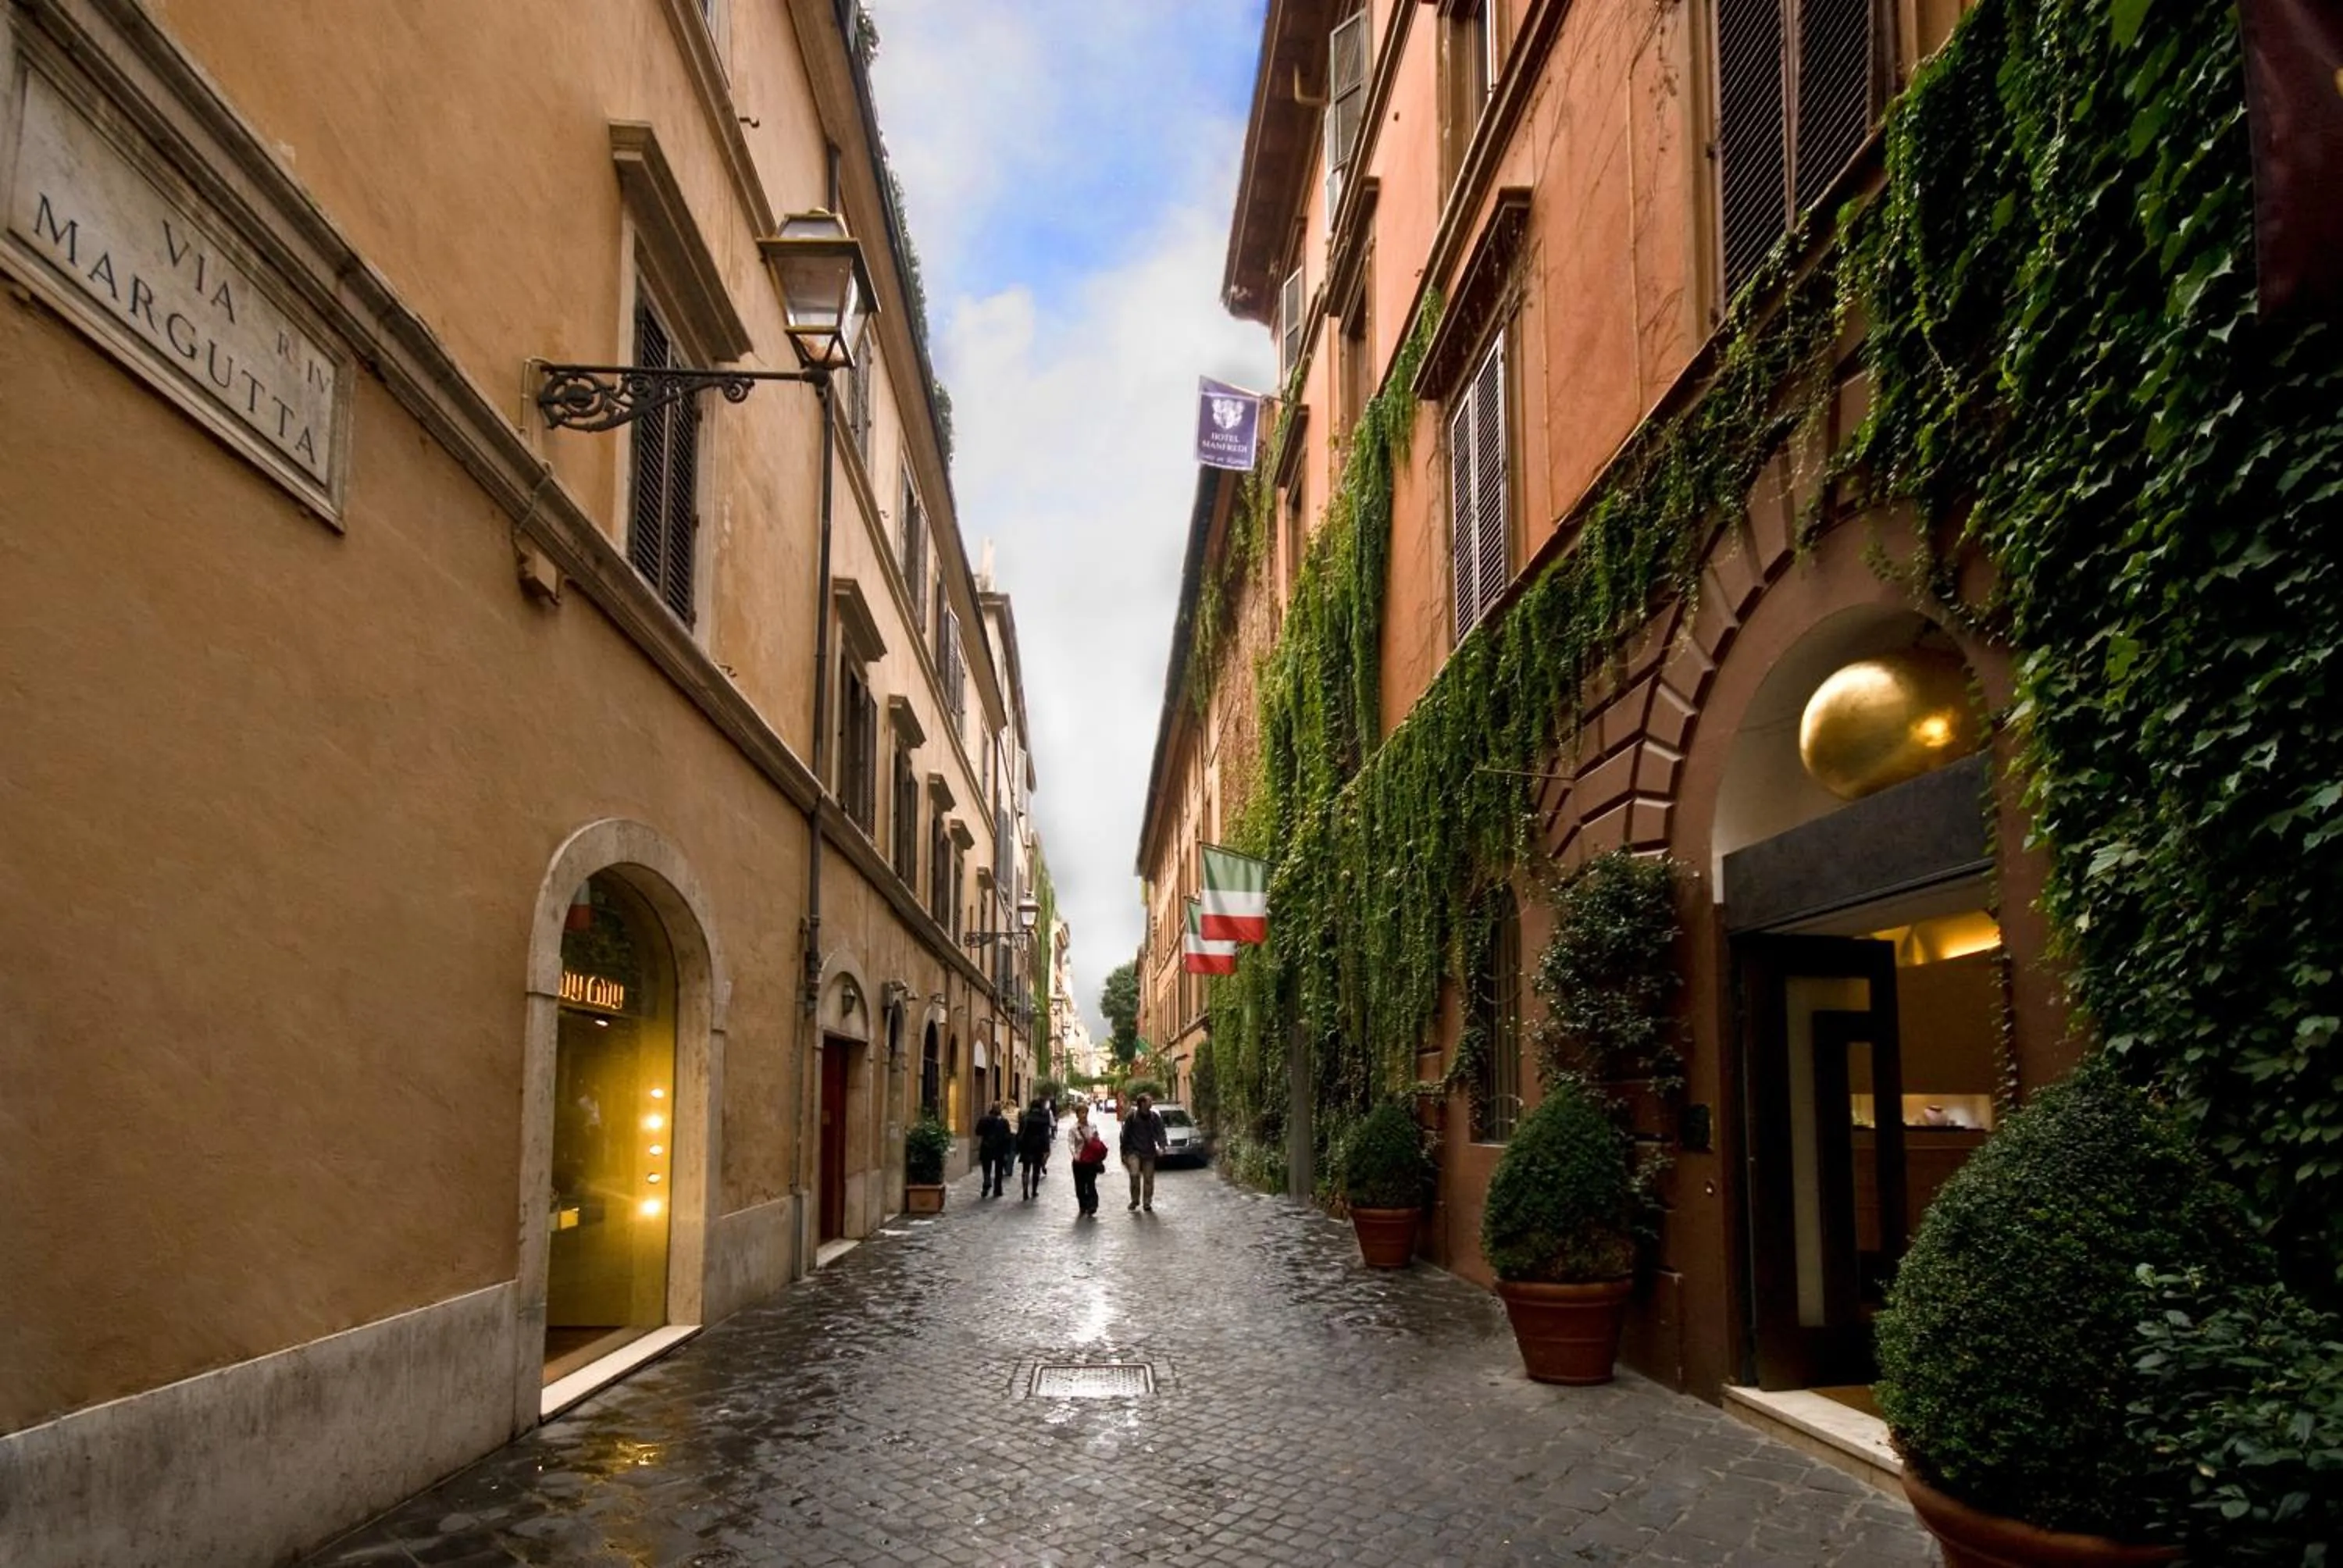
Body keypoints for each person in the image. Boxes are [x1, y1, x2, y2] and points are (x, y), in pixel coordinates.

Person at [1119, 1092, 1168, 1213]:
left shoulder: (1154, 1117)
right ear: (1142, 1103)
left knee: (1148, 1178)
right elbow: (1126, 1135)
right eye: (1149, 1101)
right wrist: (1124, 1152)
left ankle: (1147, 1202)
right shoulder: (1132, 1117)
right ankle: (1135, 1200)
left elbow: (1161, 1132)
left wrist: (1162, 1146)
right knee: (1134, 1175)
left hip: (1149, 1151)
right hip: (1134, 1151)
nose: (1151, 1103)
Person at [1068, 1103, 1108, 1217]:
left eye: (1086, 1112)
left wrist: (1095, 1139)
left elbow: (1097, 1141)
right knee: (1080, 1185)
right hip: (1079, 1160)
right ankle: (1083, 1205)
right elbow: (1071, 1143)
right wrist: (1075, 1154)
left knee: (1091, 1183)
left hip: (1091, 1160)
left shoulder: (1092, 1126)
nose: (1084, 1115)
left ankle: (1093, 1205)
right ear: (1077, 1115)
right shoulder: (1073, 1129)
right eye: (1082, 1113)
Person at [975, 1101, 1015, 1199]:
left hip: (987, 1146)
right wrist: (1007, 1151)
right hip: (999, 1148)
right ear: (1000, 1110)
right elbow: (1007, 1137)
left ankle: (986, 1183)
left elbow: (978, 1132)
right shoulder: (1004, 1121)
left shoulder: (984, 1119)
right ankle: (998, 1190)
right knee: (998, 1170)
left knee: (986, 1167)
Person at [1015, 1096, 1052, 1200]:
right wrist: (1047, 1148)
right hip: (1039, 1146)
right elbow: (1046, 1135)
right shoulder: (1044, 1118)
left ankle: (1025, 1191)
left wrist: (1018, 1146)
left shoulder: (1025, 1116)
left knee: (1025, 1169)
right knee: (1036, 1169)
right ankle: (1034, 1191)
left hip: (1026, 1145)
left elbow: (1020, 1133)